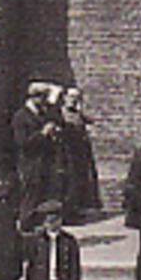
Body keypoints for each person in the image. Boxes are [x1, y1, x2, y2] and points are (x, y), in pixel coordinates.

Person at [13, 82, 60, 225]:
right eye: (42, 97)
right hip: (30, 163)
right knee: (30, 198)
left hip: (43, 163)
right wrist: (42, 133)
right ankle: (25, 229)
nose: (44, 101)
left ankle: (37, 231)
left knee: (41, 197)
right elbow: (23, 143)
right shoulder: (21, 116)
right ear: (34, 97)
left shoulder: (41, 114)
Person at [57, 87, 101, 223]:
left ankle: (76, 210)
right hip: (67, 153)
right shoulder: (60, 113)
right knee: (68, 182)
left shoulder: (77, 113)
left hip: (79, 153)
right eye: (71, 96)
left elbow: (90, 121)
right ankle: (67, 214)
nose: (73, 99)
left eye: (76, 97)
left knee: (79, 181)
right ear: (64, 97)